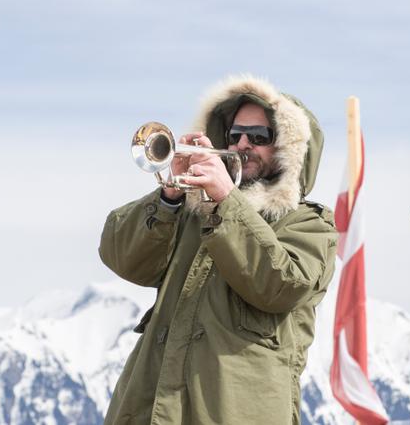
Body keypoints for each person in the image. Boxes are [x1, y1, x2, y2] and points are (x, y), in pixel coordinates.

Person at [99, 75, 337, 425]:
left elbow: (282, 285)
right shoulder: (193, 212)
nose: (242, 144)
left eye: (259, 137)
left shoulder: (311, 224)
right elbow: (120, 255)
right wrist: (169, 196)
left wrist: (226, 200)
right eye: (235, 134)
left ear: (289, 148)